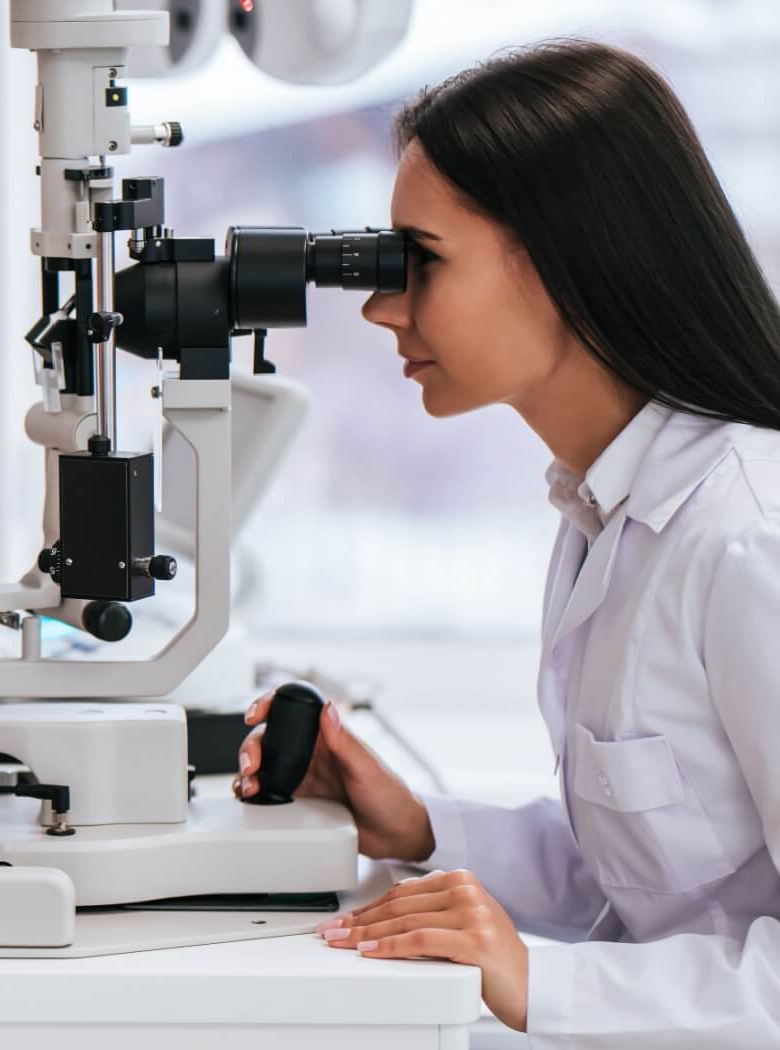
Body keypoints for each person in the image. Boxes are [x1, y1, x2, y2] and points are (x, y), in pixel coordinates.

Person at [236, 40, 780, 1046]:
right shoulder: (601, 512)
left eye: (419, 261)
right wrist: (419, 829)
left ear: (566, 260)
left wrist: (542, 982)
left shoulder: (746, 539)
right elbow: (648, 882)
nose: (379, 307)